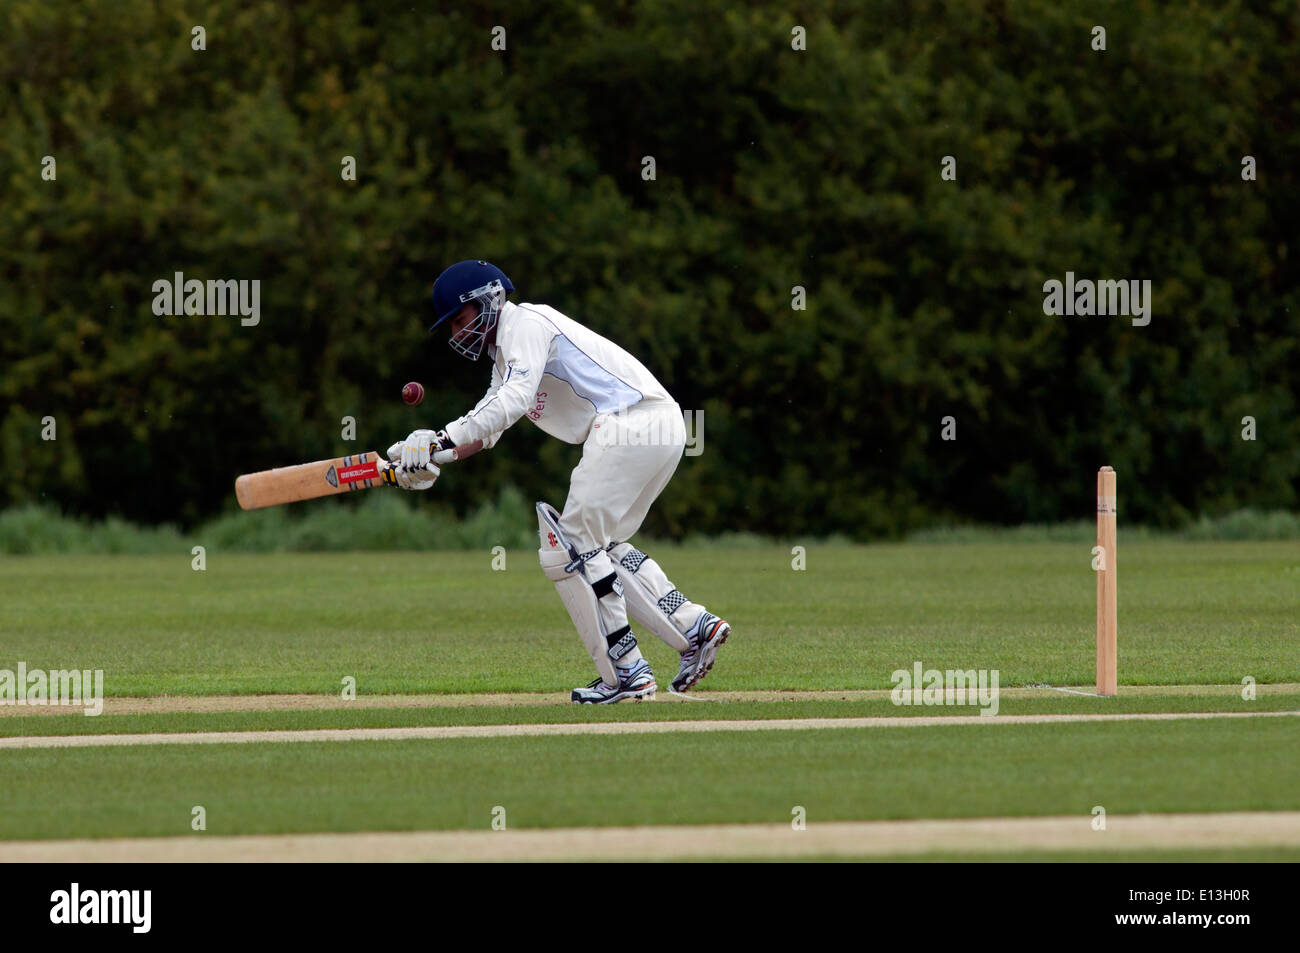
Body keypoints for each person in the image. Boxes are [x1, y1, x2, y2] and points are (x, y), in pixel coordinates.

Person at [388, 260, 730, 703]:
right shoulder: (507, 356)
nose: (456, 333)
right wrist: (428, 453)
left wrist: (440, 436)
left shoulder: (525, 324)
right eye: (450, 326)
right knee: (601, 546)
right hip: (659, 425)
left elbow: (513, 401)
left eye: (459, 318)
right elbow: (488, 430)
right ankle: (692, 625)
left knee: (567, 547)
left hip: (630, 423)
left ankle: (626, 672)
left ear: (490, 299)